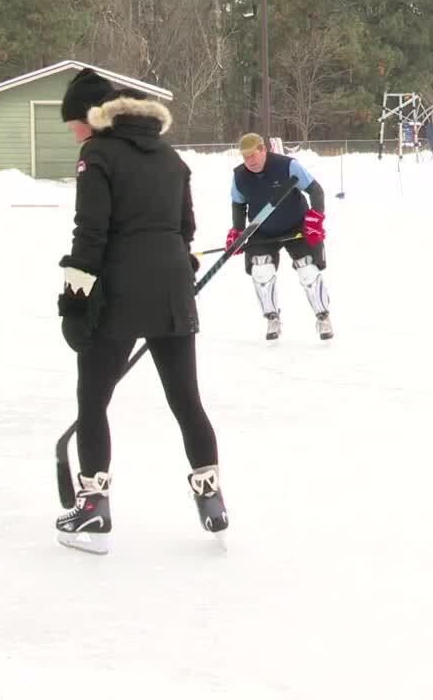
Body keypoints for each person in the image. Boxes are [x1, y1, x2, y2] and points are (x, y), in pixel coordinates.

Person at [54, 69, 226, 554]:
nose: (74, 135)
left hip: (119, 292)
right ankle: (211, 498)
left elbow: (89, 234)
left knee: (92, 399)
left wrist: (74, 300)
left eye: (74, 125)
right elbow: (185, 228)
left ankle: (92, 509)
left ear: (92, 118)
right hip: (173, 291)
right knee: (185, 399)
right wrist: (176, 265)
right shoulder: (170, 157)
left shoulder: (98, 156)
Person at [228, 133, 333, 341]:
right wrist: (237, 231)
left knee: (307, 269)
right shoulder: (239, 176)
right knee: (261, 270)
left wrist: (315, 218)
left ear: (263, 149)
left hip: (296, 228)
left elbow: (316, 190)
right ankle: (272, 317)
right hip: (262, 230)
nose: (250, 161)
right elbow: (238, 204)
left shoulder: (287, 166)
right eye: (246, 157)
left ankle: (323, 316)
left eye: (254, 155)